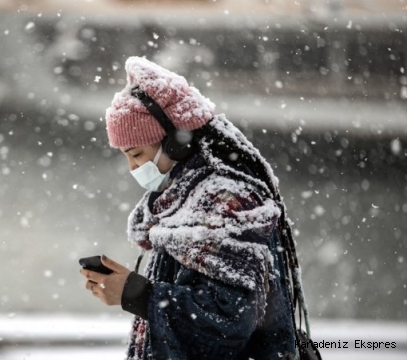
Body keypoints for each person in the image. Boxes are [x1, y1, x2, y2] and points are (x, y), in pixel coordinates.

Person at [80, 56, 310, 359]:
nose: (132, 167)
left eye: (136, 154)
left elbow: (229, 322)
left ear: (175, 143)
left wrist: (136, 294)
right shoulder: (180, 202)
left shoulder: (225, 202)